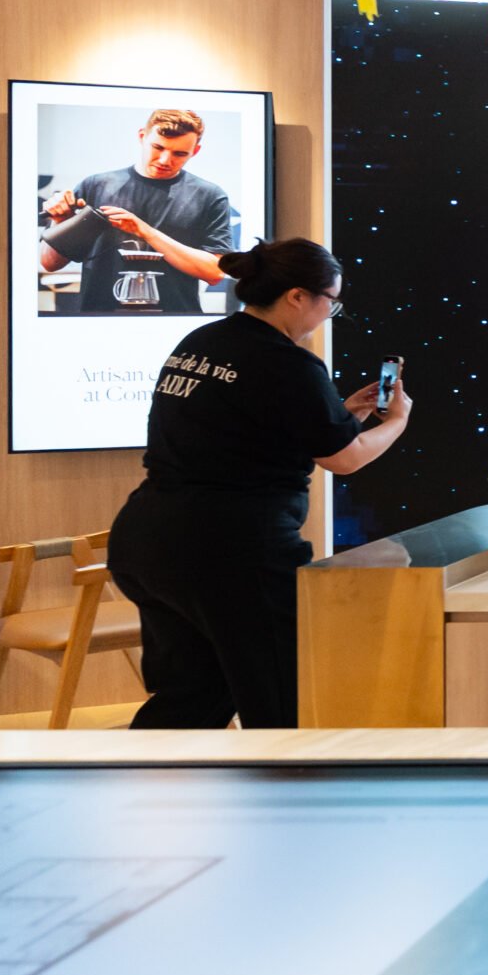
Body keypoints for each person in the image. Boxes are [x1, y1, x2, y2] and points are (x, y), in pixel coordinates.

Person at [105, 238, 411, 728]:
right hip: (230, 550)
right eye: (331, 302)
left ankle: (146, 798)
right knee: (281, 701)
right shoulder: (288, 364)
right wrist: (395, 423)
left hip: (148, 541)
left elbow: (246, 427)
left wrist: (344, 413)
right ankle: (285, 798)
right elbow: (345, 460)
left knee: (193, 694)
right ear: (296, 297)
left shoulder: (202, 341)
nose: (329, 313)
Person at [41, 107, 237, 315]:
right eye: (157, 147)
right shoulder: (96, 185)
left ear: (195, 151)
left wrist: (144, 230)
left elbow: (214, 272)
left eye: (179, 154)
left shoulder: (209, 196)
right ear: (142, 137)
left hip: (176, 320)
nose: (164, 160)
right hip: (98, 319)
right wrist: (60, 220)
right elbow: (50, 263)